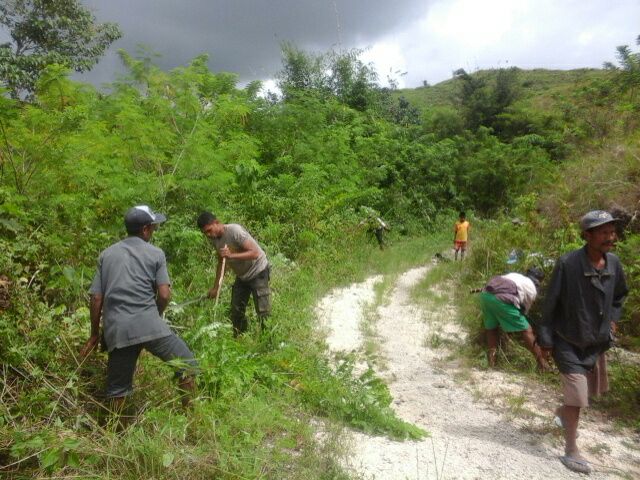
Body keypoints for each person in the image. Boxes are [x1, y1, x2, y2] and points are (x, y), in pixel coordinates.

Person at [80, 205, 196, 409]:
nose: (153, 231)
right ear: (144, 230)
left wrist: (95, 334)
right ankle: (191, 415)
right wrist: (156, 314)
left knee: (117, 389)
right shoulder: (156, 253)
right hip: (149, 325)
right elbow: (164, 294)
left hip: (117, 330)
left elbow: (96, 298)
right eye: (153, 228)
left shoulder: (106, 255)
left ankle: (117, 434)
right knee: (187, 365)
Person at [538, 210, 628, 474]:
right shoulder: (568, 264)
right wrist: (545, 340)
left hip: (596, 342)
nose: (610, 237)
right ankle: (571, 450)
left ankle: (562, 412)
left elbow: (619, 296)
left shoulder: (614, 264)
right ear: (587, 236)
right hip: (567, 340)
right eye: (603, 233)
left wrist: (612, 318)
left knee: (580, 396)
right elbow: (550, 302)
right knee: (578, 397)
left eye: (612, 232)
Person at [197, 212, 271, 336]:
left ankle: (269, 342)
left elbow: (255, 253)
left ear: (217, 222)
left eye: (209, 230)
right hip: (242, 277)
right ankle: (239, 340)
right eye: (205, 233)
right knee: (236, 311)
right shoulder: (215, 240)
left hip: (258, 271)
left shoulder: (234, 231)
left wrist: (231, 255)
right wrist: (216, 287)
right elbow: (221, 262)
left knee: (263, 312)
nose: (209, 235)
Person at [479, 267, 548, 370]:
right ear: (538, 282)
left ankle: (491, 363)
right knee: (527, 330)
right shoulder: (532, 289)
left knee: (492, 329)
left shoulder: (515, 276)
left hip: (485, 296)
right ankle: (543, 364)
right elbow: (523, 312)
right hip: (500, 299)